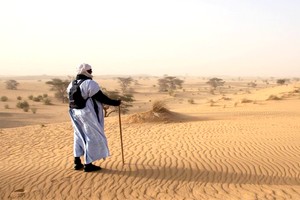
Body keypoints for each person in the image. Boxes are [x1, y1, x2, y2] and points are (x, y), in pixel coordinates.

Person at [67, 63, 121, 172]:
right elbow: (101, 97)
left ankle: (77, 162)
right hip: (87, 113)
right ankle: (88, 164)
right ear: (86, 72)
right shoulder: (89, 83)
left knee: (78, 135)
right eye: (90, 71)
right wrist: (115, 103)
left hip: (75, 113)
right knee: (91, 136)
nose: (91, 72)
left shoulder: (71, 84)